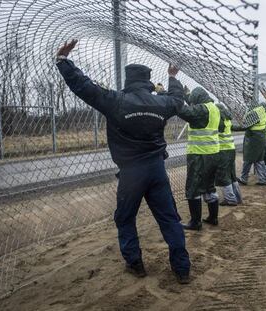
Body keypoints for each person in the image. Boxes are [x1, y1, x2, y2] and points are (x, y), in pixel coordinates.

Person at [55, 40, 191, 284]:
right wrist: (172, 77)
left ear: (127, 81)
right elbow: (178, 99)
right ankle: (182, 270)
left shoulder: (115, 100)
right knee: (169, 218)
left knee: (125, 217)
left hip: (131, 174)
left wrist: (63, 62)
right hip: (157, 170)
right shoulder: (161, 103)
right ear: (149, 81)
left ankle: (135, 263)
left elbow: (83, 86)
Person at [178, 87, 223, 230]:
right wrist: (186, 95)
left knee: (193, 187)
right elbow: (195, 108)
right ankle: (213, 217)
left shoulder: (202, 110)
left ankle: (195, 222)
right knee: (209, 187)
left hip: (199, 155)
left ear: (198, 100)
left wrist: (171, 95)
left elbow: (183, 111)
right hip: (213, 154)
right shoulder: (214, 108)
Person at [234, 104, 266, 186]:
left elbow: (245, 126)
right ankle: (263, 179)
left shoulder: (254, 113)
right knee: (259, 159)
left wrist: (231, 127)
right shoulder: (262, 112)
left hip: (253, 139)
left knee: (248, 159)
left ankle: (244, 178)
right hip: (260, 138)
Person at [215, 104, 242, 206]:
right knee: (231, 175)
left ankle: (230, 199)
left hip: (223, 150)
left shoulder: (219, 120)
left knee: (224, 174)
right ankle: (237, 197)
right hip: (231, 149)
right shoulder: (227, 119)